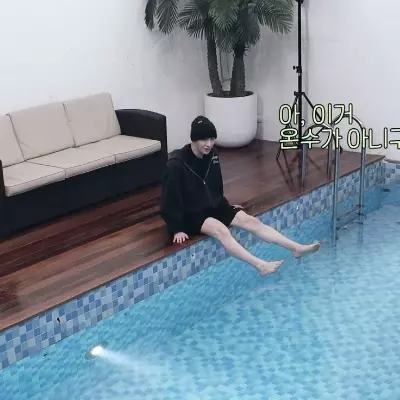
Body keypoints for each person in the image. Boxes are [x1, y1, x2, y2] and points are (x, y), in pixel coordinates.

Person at [160, 116, 320, 275]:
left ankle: (296, 248)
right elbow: (169, 199)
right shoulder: (176, 164)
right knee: (222, 230)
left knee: (251, 221)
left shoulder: (212, 155)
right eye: (204, 140)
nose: (209, 144)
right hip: (191, 214)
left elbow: (216, 185)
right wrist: (177, 228)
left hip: (213, 207)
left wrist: (225, 206)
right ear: (194, 139)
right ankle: (261, 266)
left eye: (212, 139)